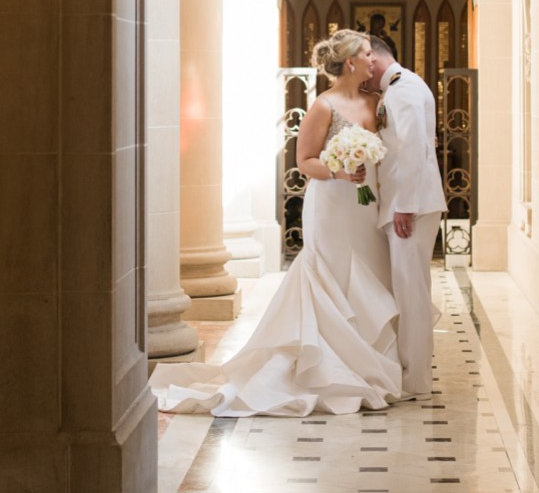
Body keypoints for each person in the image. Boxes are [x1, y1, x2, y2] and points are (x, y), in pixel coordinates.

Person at [149, 31, 402, 417]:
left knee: (368, 271)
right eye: (368, 54)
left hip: (366, 205)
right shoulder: (324, 106)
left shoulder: (377, 101)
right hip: (334, 203)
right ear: (350, 62)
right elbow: (305, 161)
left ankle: (368, 360)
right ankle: (329, 365)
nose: (374, 60)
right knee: (333, 275)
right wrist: (338, 170)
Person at [368, 34, 447, 398]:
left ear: (376, 59)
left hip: (411, 207)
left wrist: (405, 204)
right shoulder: (398, 88)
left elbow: (416, 147)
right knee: (405, 287)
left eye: (364, 62)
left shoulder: (405, 89)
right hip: (406, 203)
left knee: (411, 290)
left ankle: (416, 379)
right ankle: (408, 369)